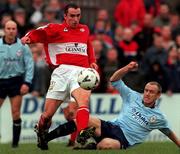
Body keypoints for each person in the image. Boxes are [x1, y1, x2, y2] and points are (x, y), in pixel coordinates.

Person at [41, 61, 180, 150]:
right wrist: (127, 68)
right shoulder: (133, 96)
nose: (147, 94)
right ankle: (45, 138)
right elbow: (114, 80)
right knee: (83, 120)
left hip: (124, 139)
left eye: (152, 92)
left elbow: (168, 132)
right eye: (146, 90)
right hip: (113, 126)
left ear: (158, 95)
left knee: (106, 145)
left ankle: (89, 145)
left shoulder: (158, 117)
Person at [21, 3, 98, 150]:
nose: (75, 19)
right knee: (47, 115)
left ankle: (82, 134)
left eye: (78, 15)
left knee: (83, 101)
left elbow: (88, 45)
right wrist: (28, 38)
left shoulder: (85, 29)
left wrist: (92, 62)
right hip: (61, 73)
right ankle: (41, 132)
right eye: (72, 16)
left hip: (81, 73)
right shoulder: (55, 29)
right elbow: (40, 32)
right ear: (65, 16)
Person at [0, 20, 34, 148]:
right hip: (1, 80)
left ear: (16, 30)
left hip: (16, 81)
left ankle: (15, 144)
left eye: (13, 28)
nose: (11, 31)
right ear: (4, 29)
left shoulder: (23, 45)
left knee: (15, 112)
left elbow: (30, 65)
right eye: (8, 28)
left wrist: (27, 82)